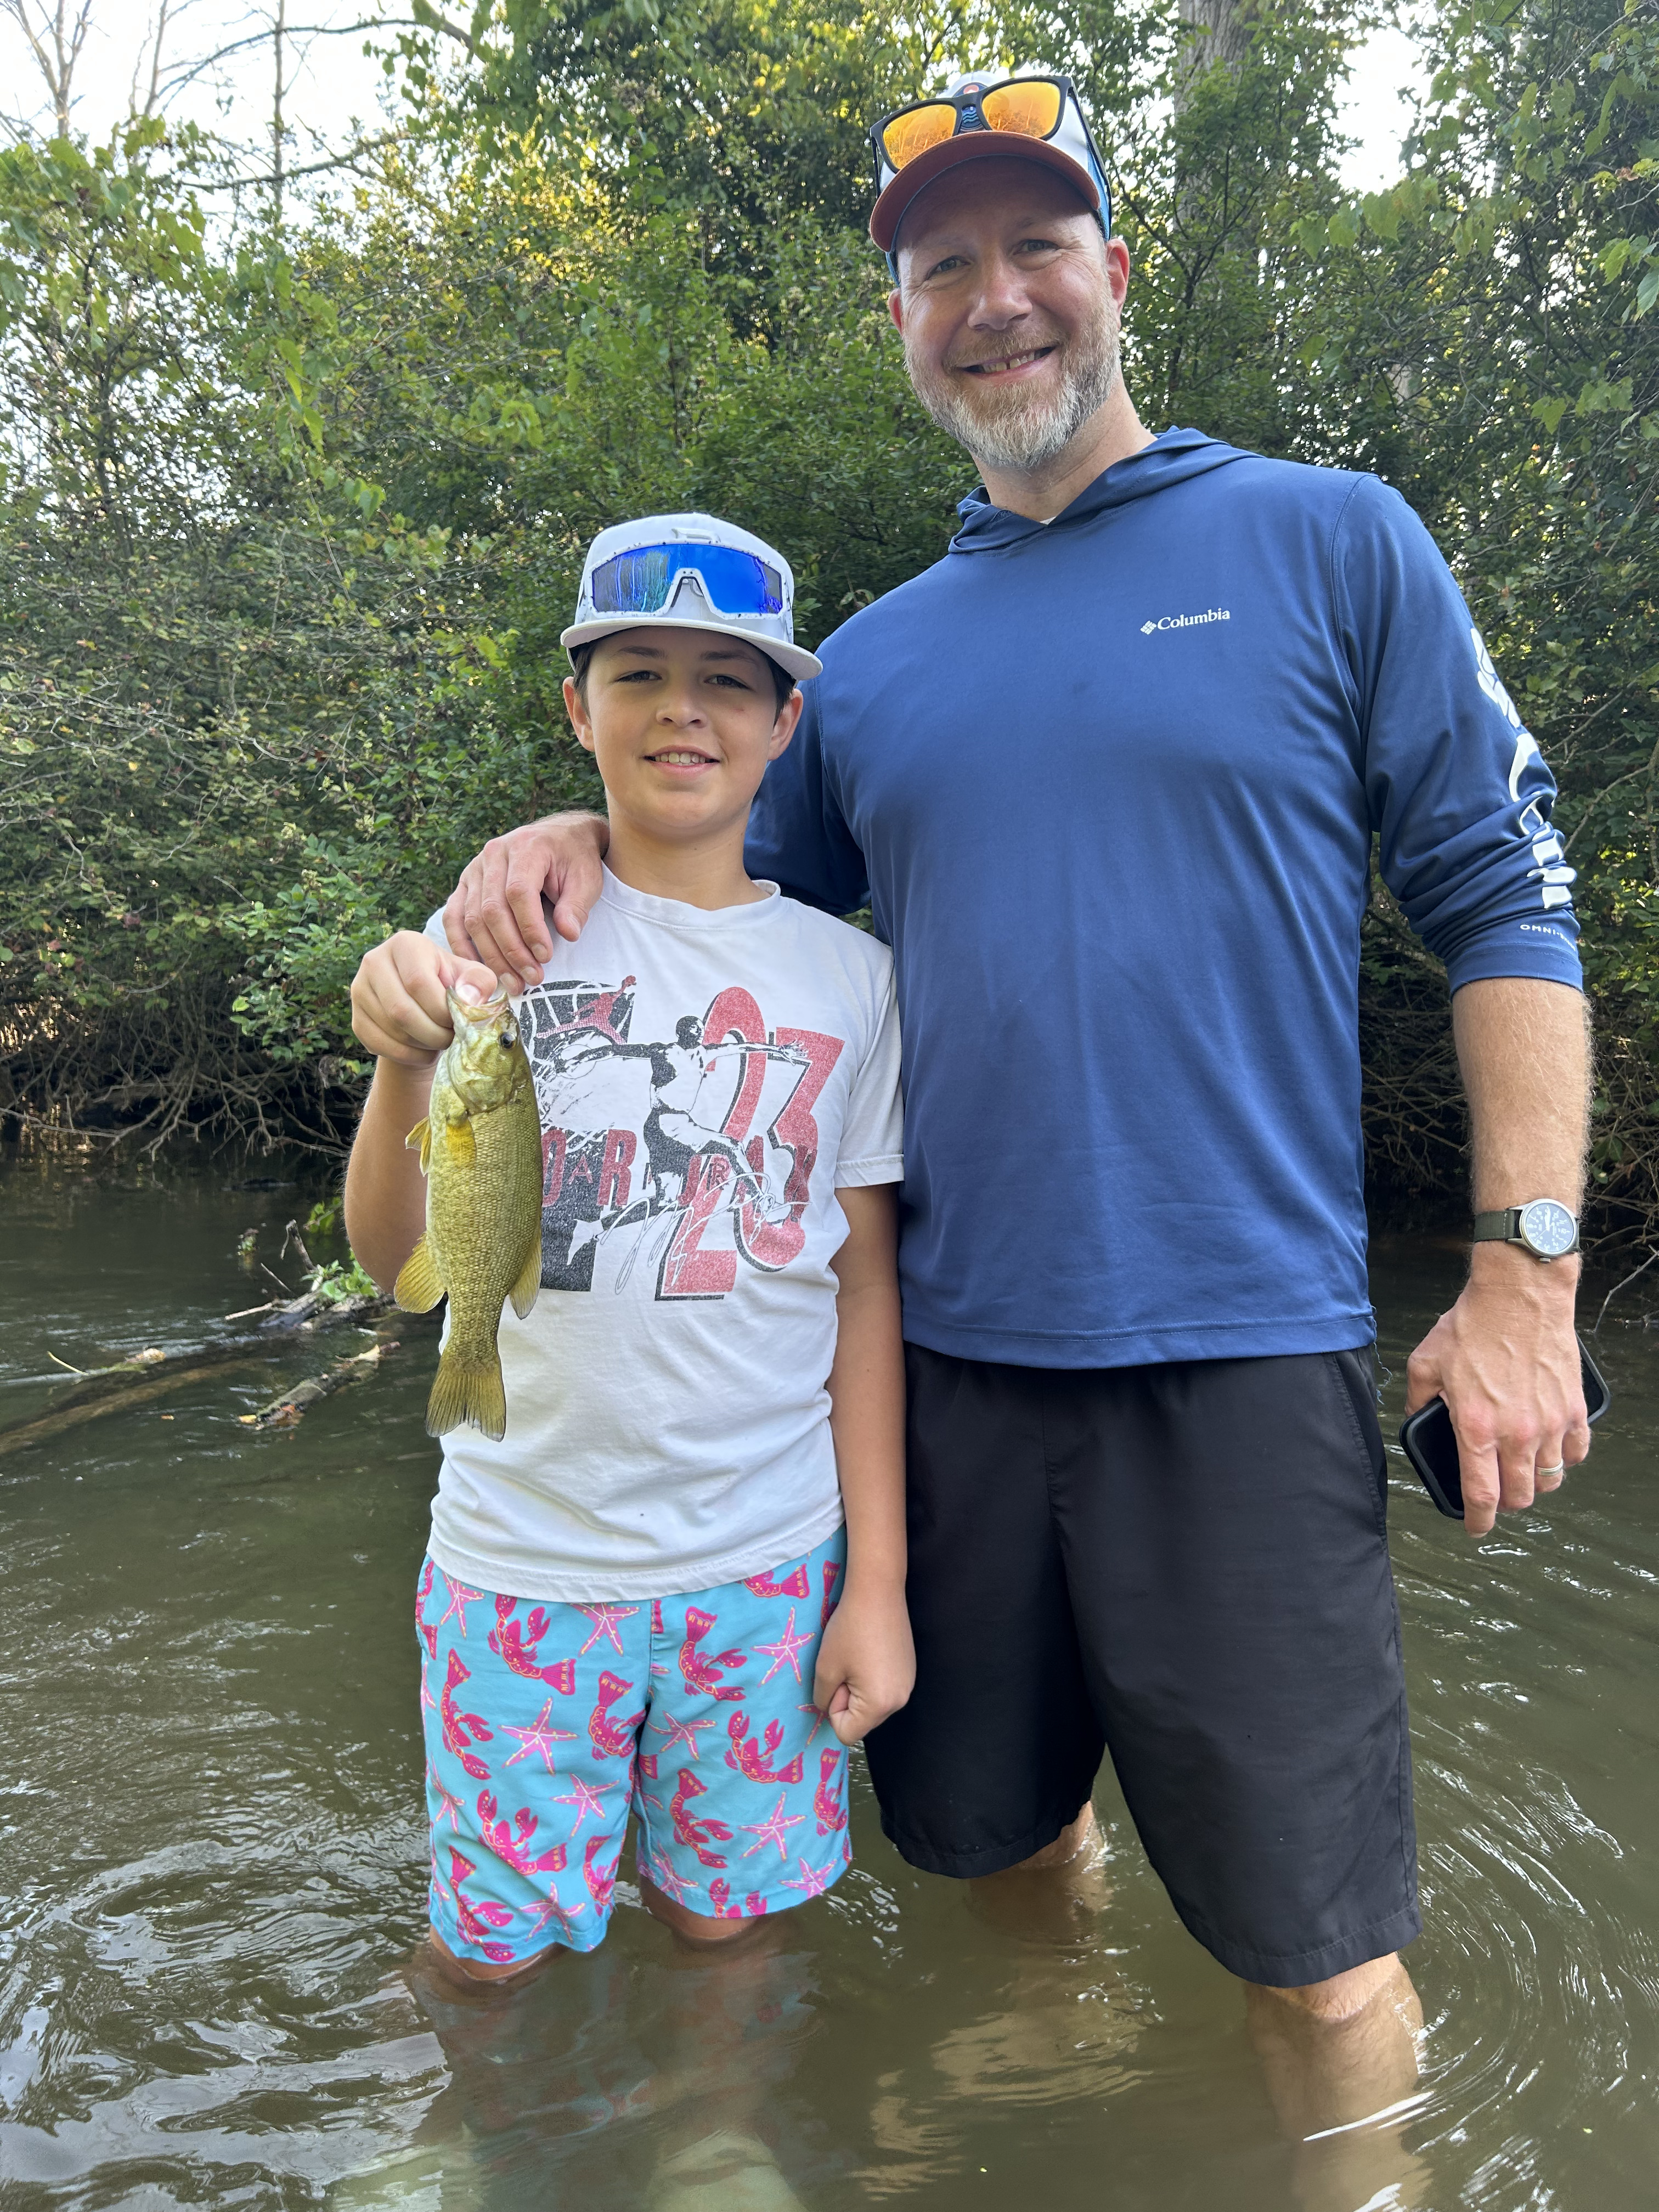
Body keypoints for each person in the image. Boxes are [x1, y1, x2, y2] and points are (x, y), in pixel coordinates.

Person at [435, 71, 1591, 2135]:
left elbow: (1505, 901)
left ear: (1112, 275)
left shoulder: (1333, 540)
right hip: (943, 1376)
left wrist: (1524, 1282)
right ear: (902, 323)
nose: (994, 300)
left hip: (1242, 1362)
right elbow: (696, 872)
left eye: (1033, 248)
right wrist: (545, 833)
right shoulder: (866, 666)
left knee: (1327, 1960)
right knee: (991, 1849)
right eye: (940, 267)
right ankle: (1050, 2145)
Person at [344, 512, 915, 1987]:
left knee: (728, 1925)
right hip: (518, 1566)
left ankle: (713, 2145)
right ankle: (472, 2143)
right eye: (638, 672)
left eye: (728, 681)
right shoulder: (498, 945)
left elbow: (863, 1292)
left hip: (769, 1567)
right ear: (576, 710)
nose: (681, 709)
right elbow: (385, 1255)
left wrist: (879, 1586)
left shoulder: (852, 982)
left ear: (787, 721)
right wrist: (405, 1057)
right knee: (491, 1947)